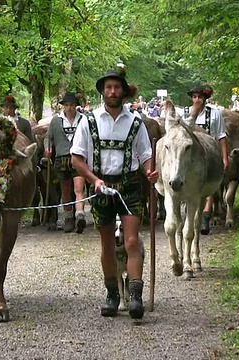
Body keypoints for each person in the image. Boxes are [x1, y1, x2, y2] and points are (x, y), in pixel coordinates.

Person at [70, 68, 158, 320]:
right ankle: (111, 294)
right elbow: (77, 159)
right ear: (102, 91)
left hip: (129, 185)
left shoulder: (136, 122)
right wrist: (93, 179)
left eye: (117, 87)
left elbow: (145, 156)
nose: (112, 91)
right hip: (101, 187)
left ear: (123, 92)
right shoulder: (89, 121)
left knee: (131, 241)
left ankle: (136, 296)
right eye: (108, 87)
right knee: (107, 244)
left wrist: (150, 171)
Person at [186, 85, 229, 234]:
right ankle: (190, 216)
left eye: (200, 97)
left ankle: (205, 216)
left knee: (207, 183)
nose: (197, 100)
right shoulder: (185, 113)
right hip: (191, 154)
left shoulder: (215, 113)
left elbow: (221, 135)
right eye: (194, 97)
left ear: (205, 99)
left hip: (209, 152)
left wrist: (224, 157)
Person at [44, 92, 88, 233]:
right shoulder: (56, 121)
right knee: (66, 191)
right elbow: (47, 137)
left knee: (79, 188)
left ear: (76, 106)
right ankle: (69, 218)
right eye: (67, 105)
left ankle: (80, 215)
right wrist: (47, 148)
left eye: (72, 105)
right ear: (63, 106)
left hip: (79, 157)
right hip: (61, 159)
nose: (69, 108)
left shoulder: (83, 120)